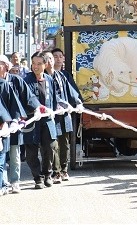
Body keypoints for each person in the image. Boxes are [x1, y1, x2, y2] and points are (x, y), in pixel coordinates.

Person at [43, 51, 82, 183]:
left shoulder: (62, 76)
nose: (50, 61)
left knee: (64, 143)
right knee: (53, 144)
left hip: (64, 114)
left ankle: (64, 170)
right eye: (48, 58)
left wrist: (77, 102)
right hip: (51, 115)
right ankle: (56, 171)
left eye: (51, 58)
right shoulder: (43, 78)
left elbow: (71, 92)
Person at [0, 54, 37, 194]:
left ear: (6, 67)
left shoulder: (16, 80)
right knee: (1, 156)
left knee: (15, 155)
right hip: (1, 126)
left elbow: (29, 97)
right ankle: (2, 183)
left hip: (14, 124)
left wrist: (38, 107)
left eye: (1, 64)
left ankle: (15, 181)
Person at [22, 52, 58, 189]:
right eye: (34, 64)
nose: (35, 67)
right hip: (32, 119)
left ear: (45, 64)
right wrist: (34, 109)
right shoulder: (26, 81)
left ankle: (47, 175)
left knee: (50, 147)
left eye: (39, 64)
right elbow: (24, 100)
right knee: (31, 151)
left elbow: (54, 99)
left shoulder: (49, 80)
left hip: (47, 119)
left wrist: (57, 108)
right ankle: (37, 178)